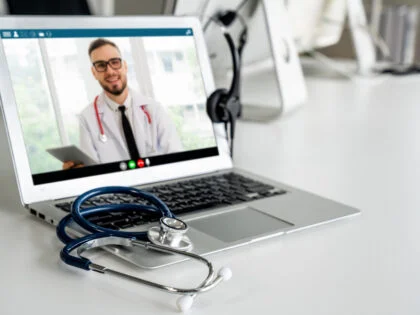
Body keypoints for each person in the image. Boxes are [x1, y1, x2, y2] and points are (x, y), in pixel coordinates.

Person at [64, 38, 182, 169]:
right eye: (101, 65)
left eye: (115, 62)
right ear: (94, 73)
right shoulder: (87, 118)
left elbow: (176, 158)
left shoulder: (154, 109)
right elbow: (92, 172)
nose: (110, 71)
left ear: (125, 66)